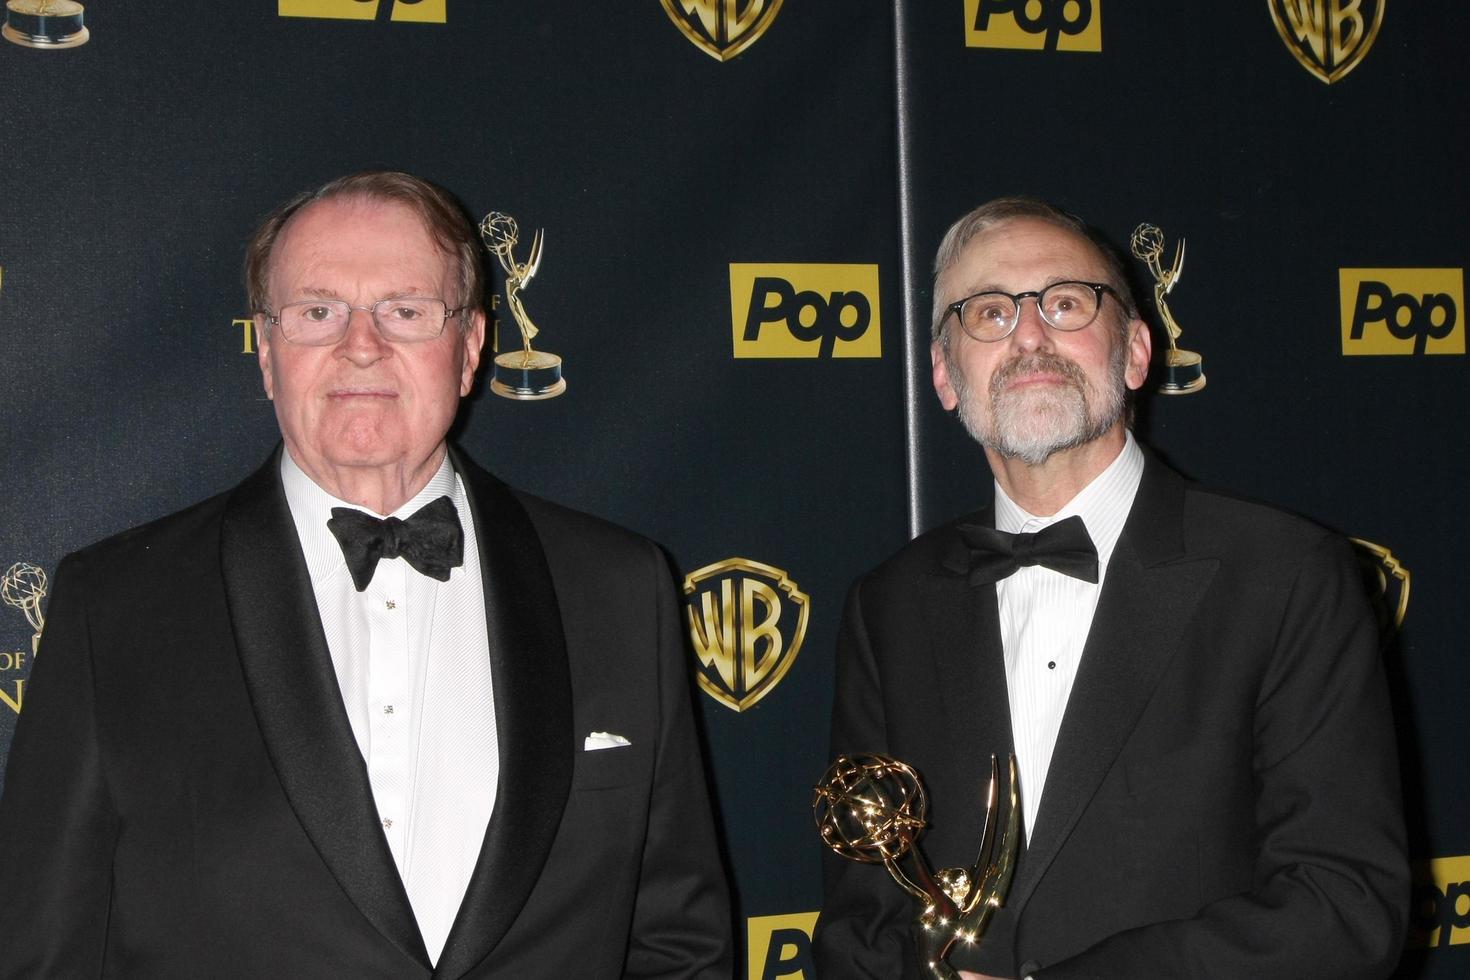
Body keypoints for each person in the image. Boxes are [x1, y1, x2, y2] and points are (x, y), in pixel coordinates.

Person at [0, 171, 732, 978]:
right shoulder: (117, 608)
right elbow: (43, 951)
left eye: (405, 311)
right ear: (267, 352)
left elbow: (678, 943)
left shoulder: (620, 590)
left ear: (471, 348)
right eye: (318, 312)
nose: (361, 344)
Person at [813, 198, 1408, 979]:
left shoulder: (1287, 575)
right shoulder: (888, 603)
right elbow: (859, 918)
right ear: (945, 376)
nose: (1029, 335)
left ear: (1134, 352)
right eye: (988, 312)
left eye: (1064, 303)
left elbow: (1344, 902)